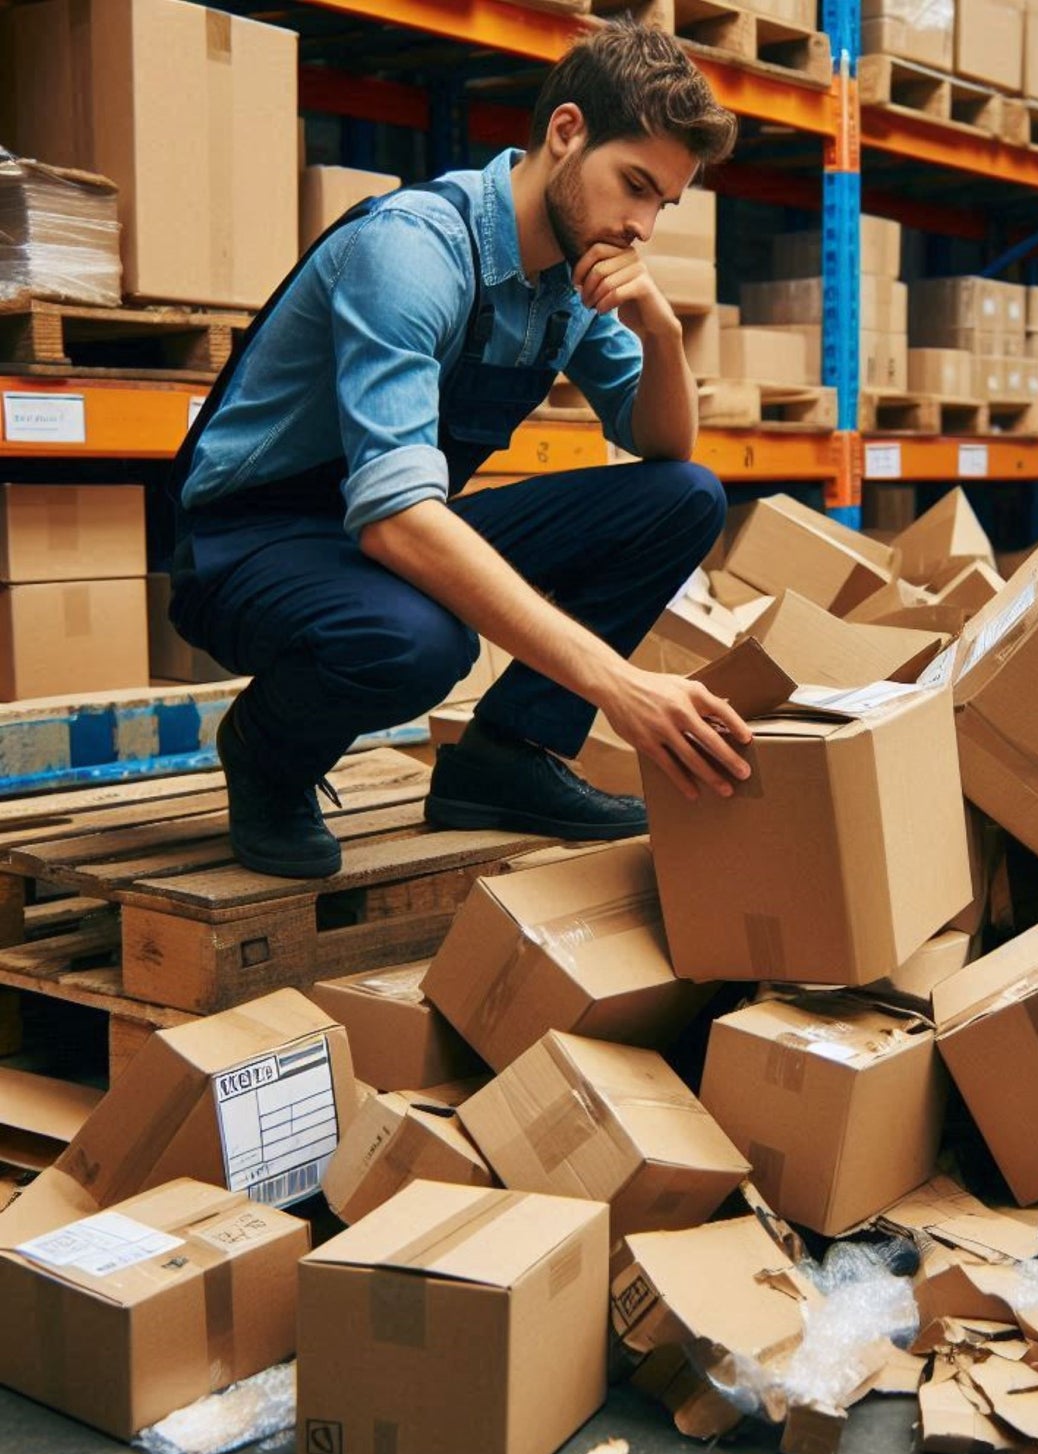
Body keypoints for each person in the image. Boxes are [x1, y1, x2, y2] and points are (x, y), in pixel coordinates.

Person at [167, 20, 755, 880]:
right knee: (419, 642)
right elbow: (397, 523)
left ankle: (506, 756)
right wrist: (618, 687)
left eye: (661, 203)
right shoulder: (414, 252)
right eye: (633, 185)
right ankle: (266, 753)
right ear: (565, 133)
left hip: (371, 531)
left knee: (686, 496)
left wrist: (661, 335)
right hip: (247, 546)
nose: (641, 227)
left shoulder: (574, 278)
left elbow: (661, 443)